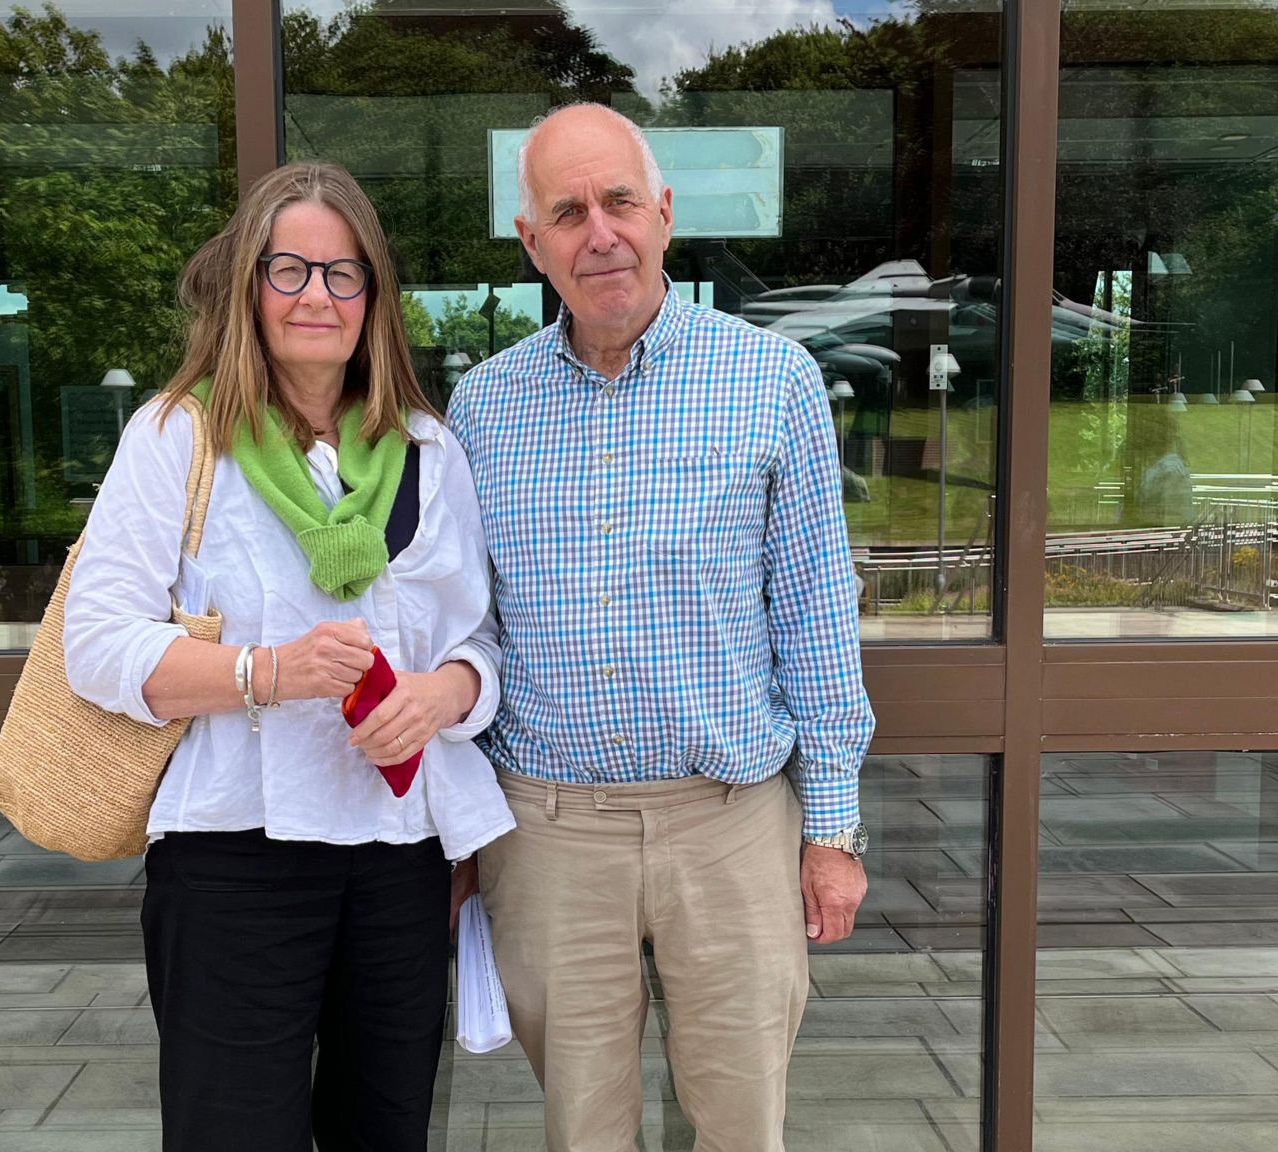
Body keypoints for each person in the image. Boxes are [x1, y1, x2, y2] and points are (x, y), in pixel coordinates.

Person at [447, 104, 877, 1151]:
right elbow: (464, 631)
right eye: (567, 211)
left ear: (663, 215)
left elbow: (815, 615)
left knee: (738, 1124)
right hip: (545, 835)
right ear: (530, 242)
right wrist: (454, 836)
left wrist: (832, 830)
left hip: (727, 825)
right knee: (581, 1132)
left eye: (619, 201)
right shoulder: (478, 409)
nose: (599, 232)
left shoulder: (770, 383)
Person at [62, 161, 514, 1152]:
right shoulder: (177, 439)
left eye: (342, 274)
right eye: (289, 270)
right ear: (245, 288)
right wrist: (265, 674)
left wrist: (441, 694)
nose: (317, 295)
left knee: (383, 1133)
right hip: (233, 857)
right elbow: (94, 645)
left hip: (399, 862)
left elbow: (476, 638)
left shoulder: (427, 451)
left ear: (373, 298)